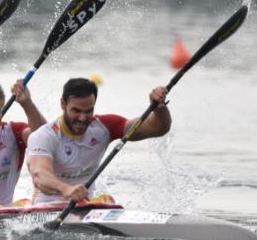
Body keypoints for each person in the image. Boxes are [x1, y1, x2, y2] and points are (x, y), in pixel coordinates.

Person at [26, 77, 171, 206]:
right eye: (76, 111)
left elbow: (157, 128)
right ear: (63, 104)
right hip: (46, 208)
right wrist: (66, 189)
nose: (83, 118)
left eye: (88, 111)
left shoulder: (104, 127)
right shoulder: (44, 135)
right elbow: (40, 176)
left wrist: (159, 108)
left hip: (86, 207)